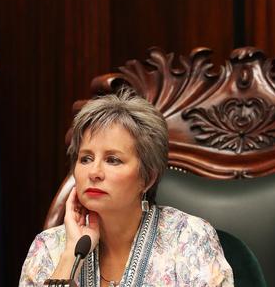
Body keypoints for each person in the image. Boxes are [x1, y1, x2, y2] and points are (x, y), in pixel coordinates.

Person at [19, 90, 234, 286]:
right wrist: (68, 257)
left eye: (113, 160)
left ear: (147, 178)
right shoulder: (48, 246)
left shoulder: (188, 238)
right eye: (85, 158)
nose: (94, 172)